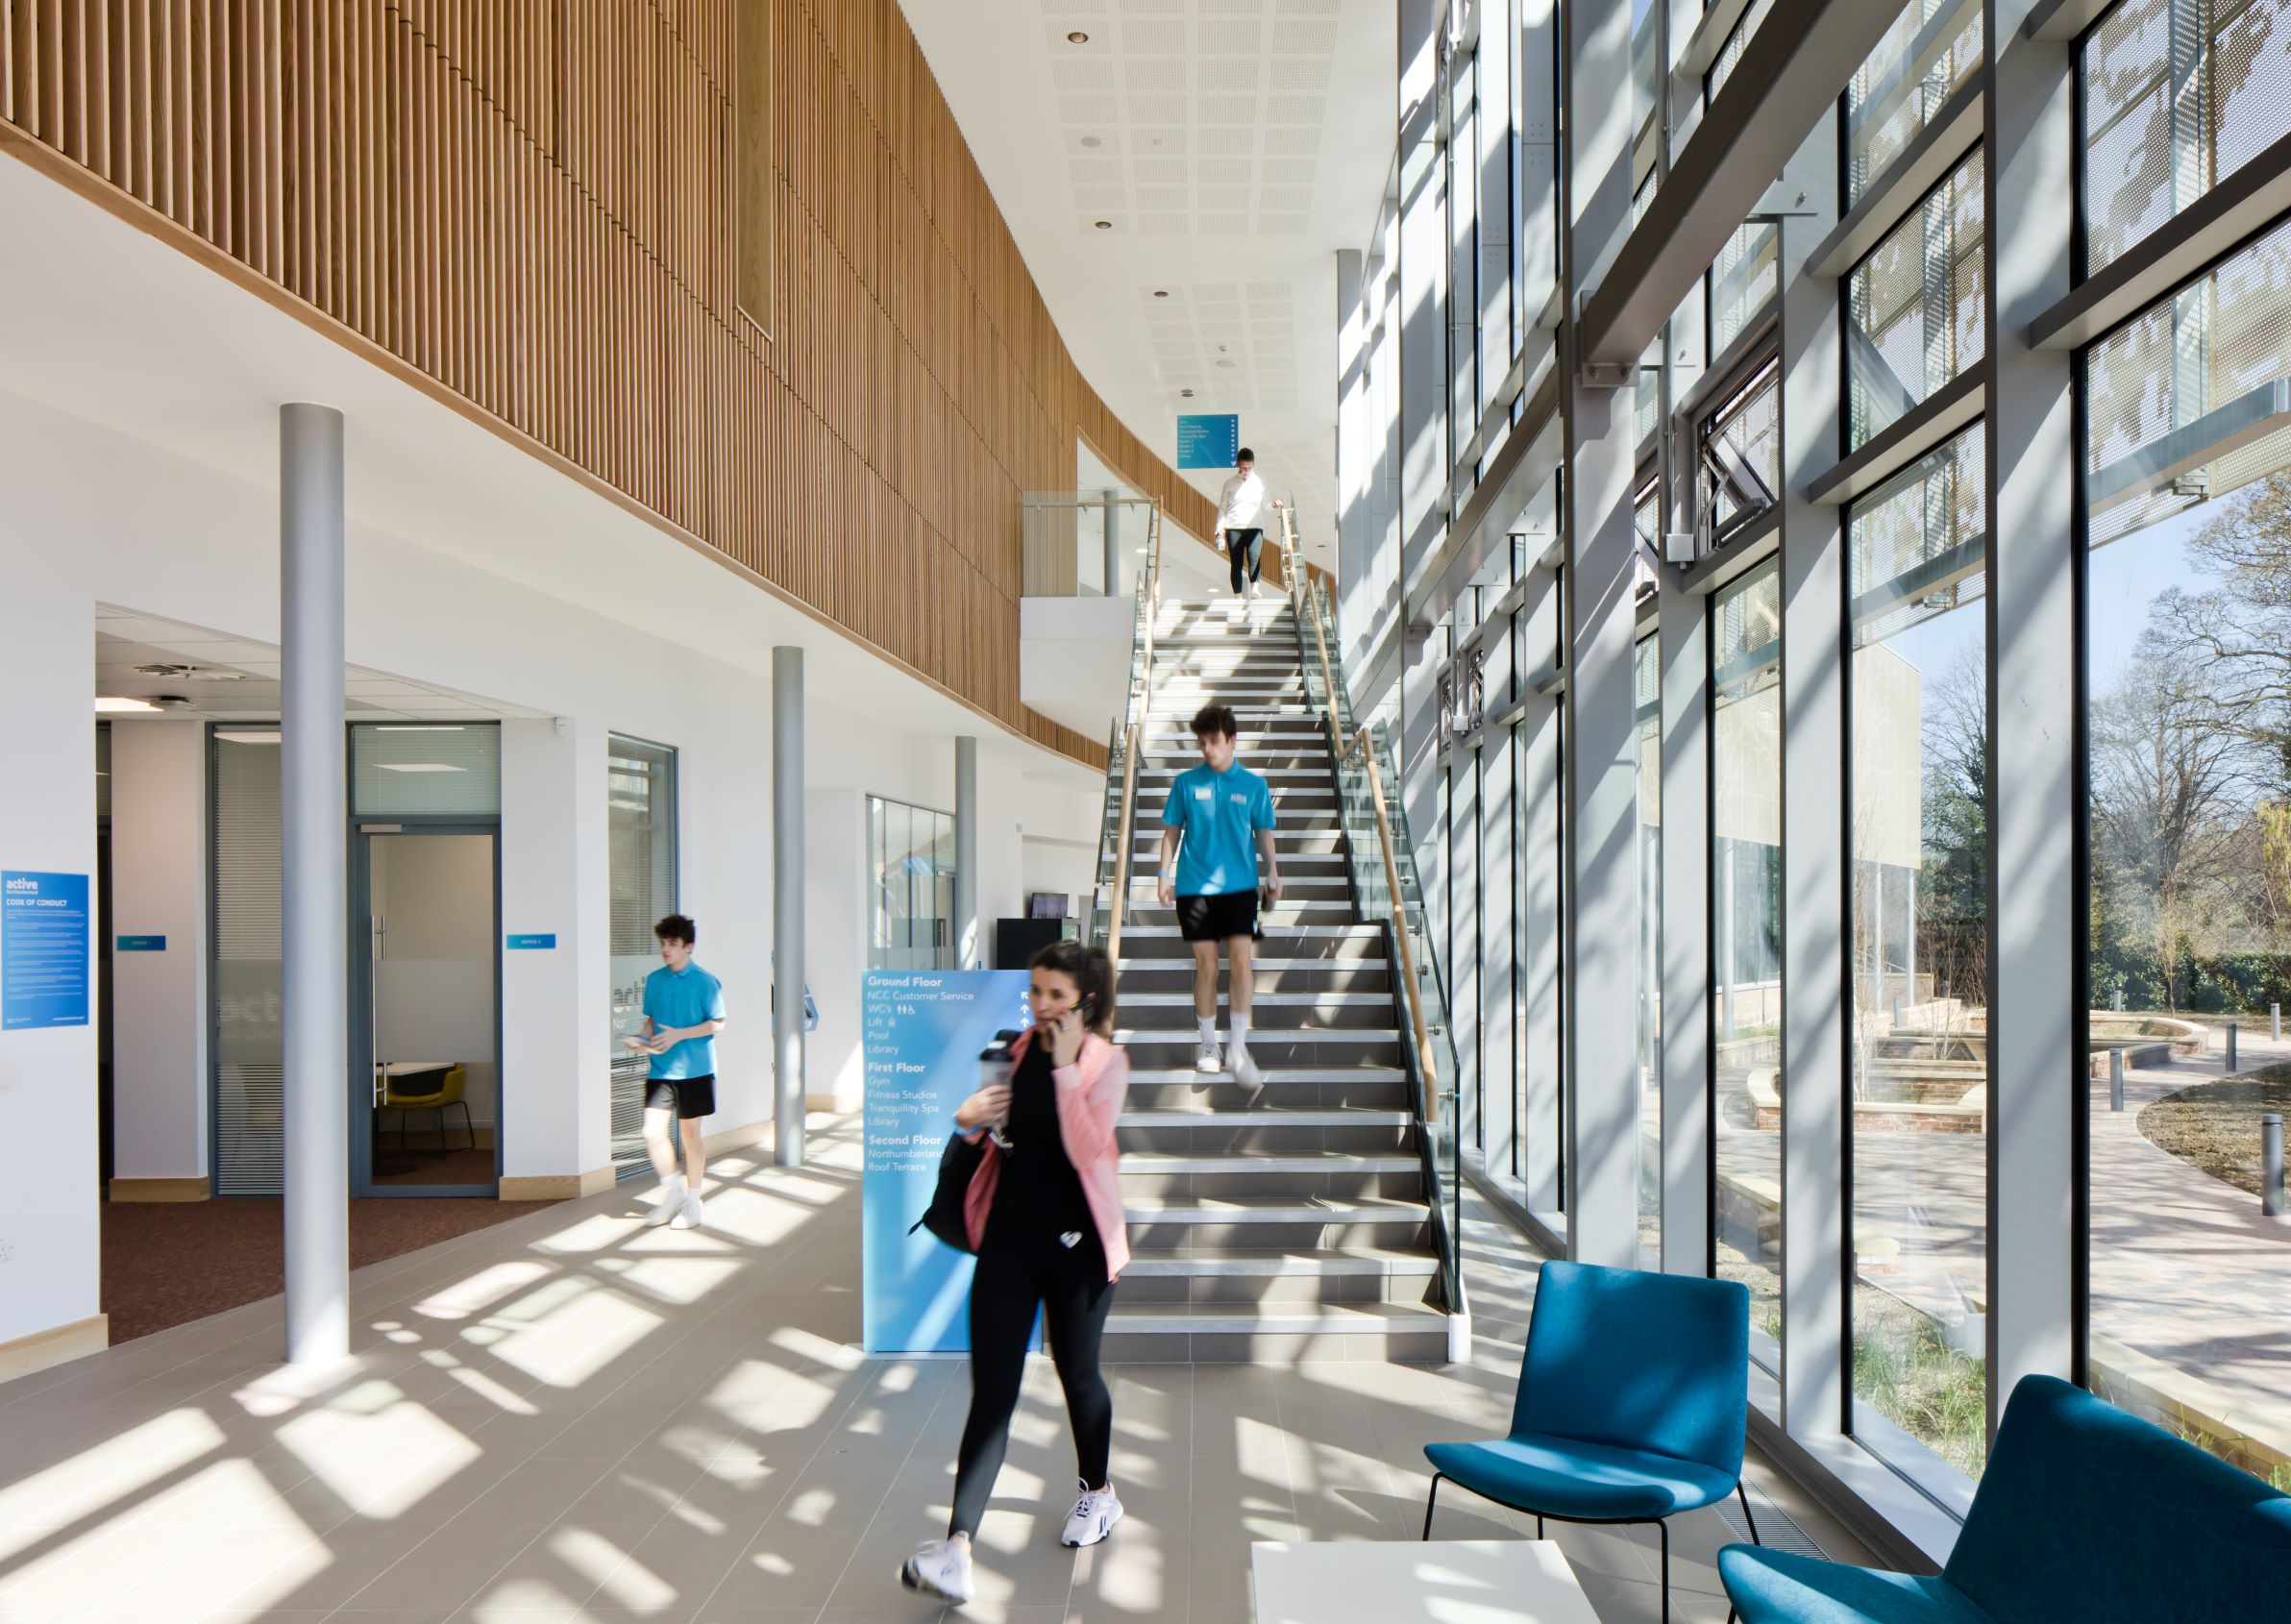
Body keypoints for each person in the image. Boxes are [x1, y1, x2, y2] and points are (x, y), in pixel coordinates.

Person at [901, 941, 1131, 1605]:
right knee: (993, 1393)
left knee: (1078, 1376)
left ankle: (1099, 1492)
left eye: (1056, 995)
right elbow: (996, 1134)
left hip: (1082, 1248)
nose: (1041, 1006)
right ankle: (957, 1549)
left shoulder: (1106, 1063)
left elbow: (1087, 1149)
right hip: (1008, 1242)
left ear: (1086, 998)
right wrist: (967, 1120)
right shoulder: (1013, 1049)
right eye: (1035, 992)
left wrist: (1065, 1071)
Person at [1156, 703, 1281, 1090]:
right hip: (1194, 888)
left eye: (1213, 741)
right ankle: (1210, 1047)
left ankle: (1238, 1047)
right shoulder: (1185, 784)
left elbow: (1263, 832)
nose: (1207, 749)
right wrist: (1163, 874)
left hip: (1241, 888)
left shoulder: (1254, 786)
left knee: (1242, 962)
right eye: (1202, 742)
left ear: (1232, 741)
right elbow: (1172, 832)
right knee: (1207, 965)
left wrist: (1273, 869)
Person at [628, 913, 727, 1229]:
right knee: (651, 1132)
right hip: (660, 1069)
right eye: (663, 943)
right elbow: (651, 1020)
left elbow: (718, 1023)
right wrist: (642, 1040)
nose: (666, 949)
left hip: (695, 1070)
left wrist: (679, 1034)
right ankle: (672, 1192)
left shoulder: (705, 982)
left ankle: (693, 1202)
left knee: (690, 1136)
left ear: (689, 947)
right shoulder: (655, 980)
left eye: (672, 944)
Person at [1213, 446, 1287, 608]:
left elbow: (1266, 505)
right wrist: (1220, 528)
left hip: (1255, 525)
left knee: (1254, 558)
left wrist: (1274, 504)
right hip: (1234, 526)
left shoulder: (1259, 482)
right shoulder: (1230, 483)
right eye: (1244, 468)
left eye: (1250, 468)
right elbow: (1223, 507)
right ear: (1238, 466)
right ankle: (1238, 597)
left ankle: (1255, 589)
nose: (1247, 471)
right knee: (1236, 563)